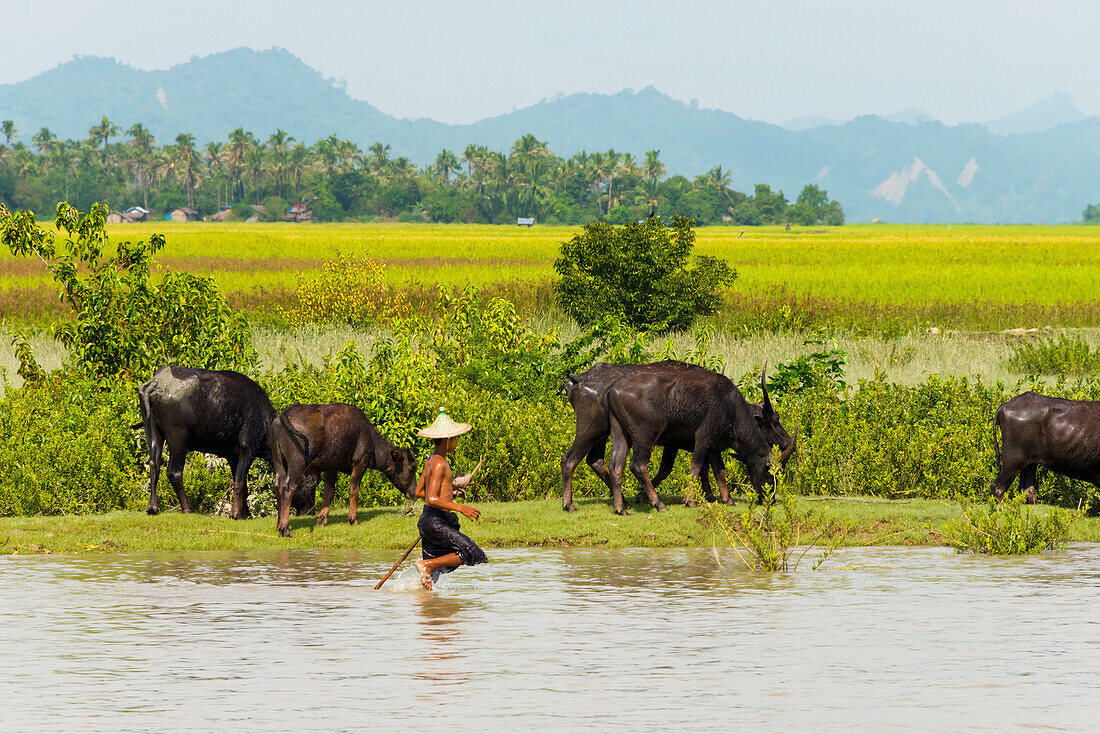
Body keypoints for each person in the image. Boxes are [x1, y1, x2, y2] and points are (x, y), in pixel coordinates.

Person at [414, 408, 487, 590]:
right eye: (454, 439)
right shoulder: (440, 463)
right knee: (471, 553)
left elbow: (419, 492)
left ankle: (427, 607)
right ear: (447, 440)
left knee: (447, 564)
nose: (456, 443)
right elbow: (431, 498)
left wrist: (448, 494)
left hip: (428, 520)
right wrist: (460, 507)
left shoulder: (431, 460)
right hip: (436, 521)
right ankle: (426, 565)